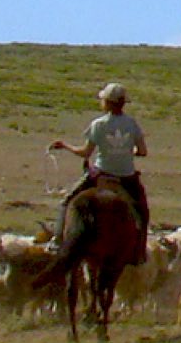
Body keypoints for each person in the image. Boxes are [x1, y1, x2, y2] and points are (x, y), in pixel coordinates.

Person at [48, 82, 149, 264]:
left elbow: (85, 153)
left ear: (109, 103)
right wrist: (127, 151)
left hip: (101, 174)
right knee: (142, 211)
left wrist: (65, 146)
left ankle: (57, 241)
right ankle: (139, 251)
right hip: (126, 177)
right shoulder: (132, 124)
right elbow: (142, 151)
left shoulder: (98, 124)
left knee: (67, 201)